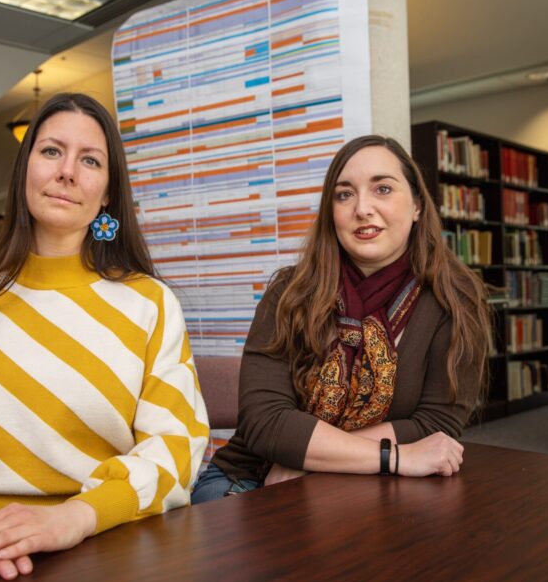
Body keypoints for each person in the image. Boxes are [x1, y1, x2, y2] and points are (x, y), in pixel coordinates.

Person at [0, 93, 210, 581]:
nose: (67, 172)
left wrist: (73, 519)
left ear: (107, 193)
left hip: (105, 544)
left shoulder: (150, 303)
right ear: (25, 172)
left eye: (90, 160)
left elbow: (175, 446)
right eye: (51, 151)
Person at [192, 135, 491, 502]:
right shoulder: (289, 292)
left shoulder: (454, 299)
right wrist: (392, 456)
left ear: (416, 205)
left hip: (380, 486)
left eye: (382, 189)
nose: (362, 208)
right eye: (344, 194)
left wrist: (314, 461)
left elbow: (436, 425)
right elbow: (263, 422)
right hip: (253, 480)